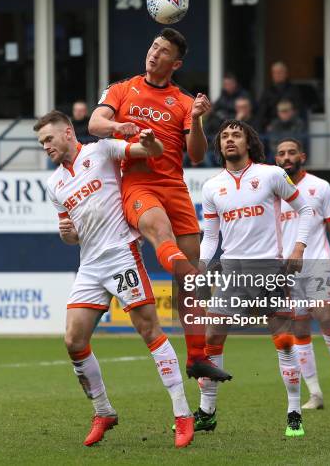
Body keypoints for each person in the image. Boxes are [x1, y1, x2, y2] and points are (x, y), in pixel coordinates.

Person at [35, 110, 195, 448]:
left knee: (148, 329)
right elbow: (72, 235)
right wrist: (67, 233)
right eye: (41, 142)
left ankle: (182, 414)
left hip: (122, 254)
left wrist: (149, 144)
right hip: (89, 264)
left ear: (67, 132)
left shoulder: (101, 150)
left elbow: (149, 153)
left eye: (48, 139)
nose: (45, 146)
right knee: (73, 341)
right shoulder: (54, 184)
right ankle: (103, 411)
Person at [89, 28, 231, 383]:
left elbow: (196, 155)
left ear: (176, 63)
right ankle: (192, 276)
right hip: (139, 182)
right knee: (165, 239)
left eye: (163, 51)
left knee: (189, 282)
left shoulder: (184, 102)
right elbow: (94, 123)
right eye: (153, 46)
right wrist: (119, 126)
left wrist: (197, 118)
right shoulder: (122, 88)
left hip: (175, 187)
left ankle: (197, 357)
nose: (154, 54)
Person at [198, 119, 314, 437]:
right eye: (224, 136)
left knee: (284, 342)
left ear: (248, 142)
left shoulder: (271, 175)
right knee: (211, 339)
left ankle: (294, 412)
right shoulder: (211, 187)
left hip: (269, 269)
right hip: (231, 271)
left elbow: (305, 209)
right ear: (219, 145)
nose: (230, 140)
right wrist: (202, 264)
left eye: (237, 135)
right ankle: (207, 411)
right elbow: (210, 237)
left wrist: (299, 248)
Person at [275, 138, 330, 410]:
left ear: (302, 156)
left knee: (324, 315)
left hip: (317, 263)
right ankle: (315, 393)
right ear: (276, 160)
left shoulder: (320, 187)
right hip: (286, 271)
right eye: (281, 154)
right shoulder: (272, 191)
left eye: (291, 152)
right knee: (298, 328)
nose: (286, 157)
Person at [257, 61, 302, 131]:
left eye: (280, 72)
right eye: (275, 73)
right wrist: (266, 124)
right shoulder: (267, 91)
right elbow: (262, 112)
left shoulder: (293, 90)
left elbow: (298, 108)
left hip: (290, 124)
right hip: (271, 125)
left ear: (286, 74)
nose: (277, 75)